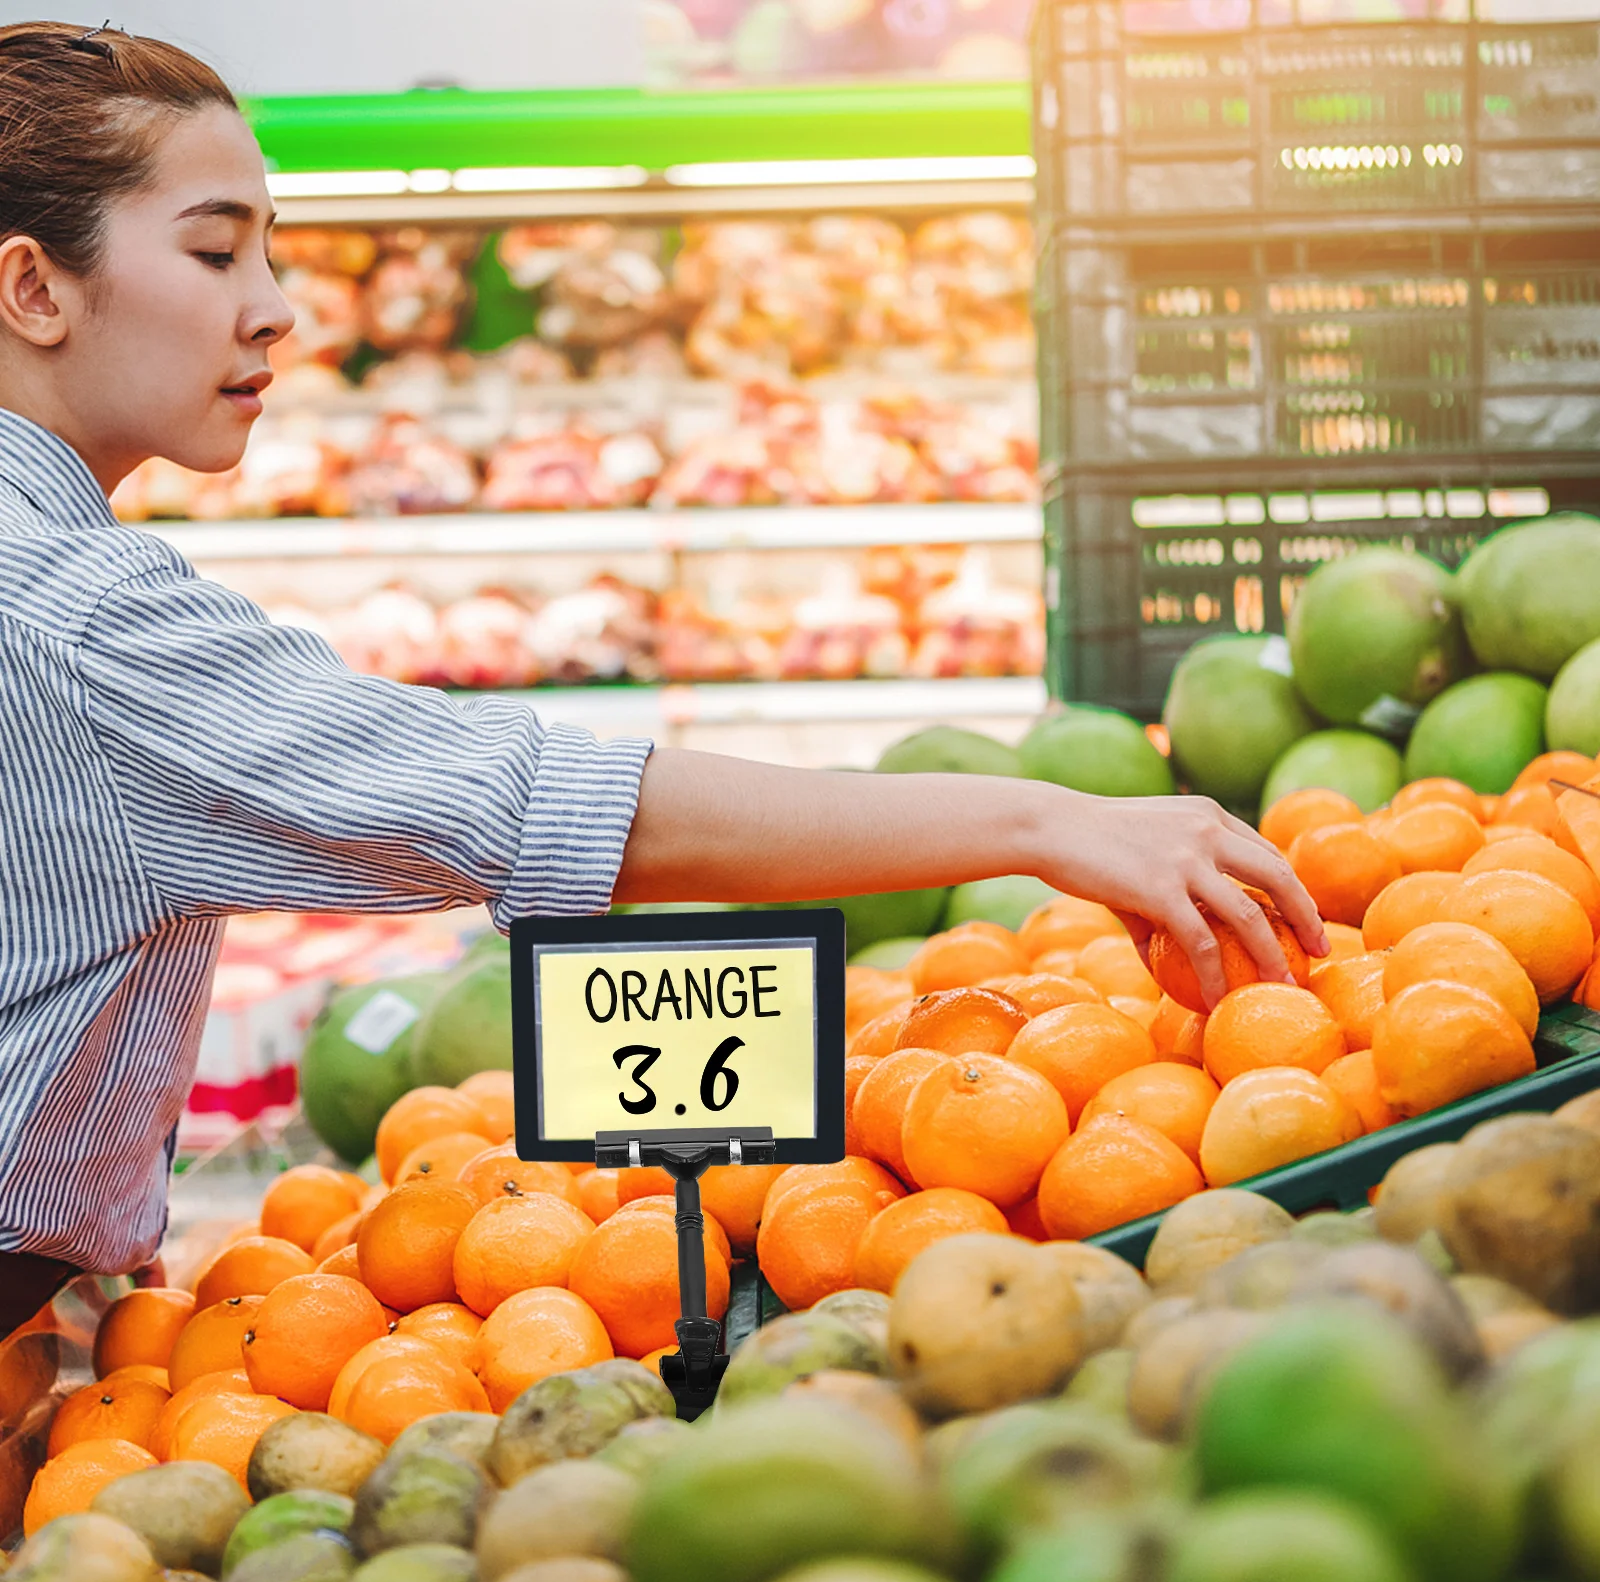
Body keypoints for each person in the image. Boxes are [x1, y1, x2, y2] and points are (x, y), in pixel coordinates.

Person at [0, 22, 1325, 1337]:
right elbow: (538, 808)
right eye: (216, 251)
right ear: (35, 289)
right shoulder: (83, 613)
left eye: (271, 251)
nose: (276, 305)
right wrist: (1048, 822)